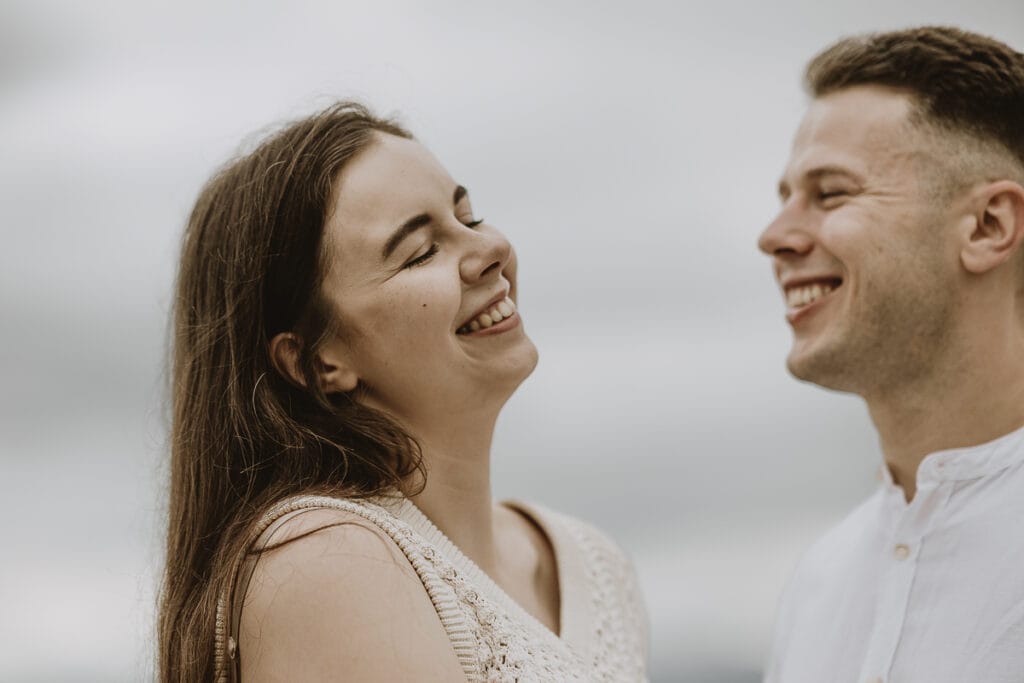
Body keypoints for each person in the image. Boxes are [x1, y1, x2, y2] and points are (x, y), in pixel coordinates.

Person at [156, 102, 648, 682]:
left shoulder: (594, 563)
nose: (489, 251)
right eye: (420, 252)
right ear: (317, 361)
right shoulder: (320, 561)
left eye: (469, 217)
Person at [757, 26, 1024, 683]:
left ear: (989, 225)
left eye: (831, 192)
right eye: (785, 197)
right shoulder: (819, 581)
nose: (775, 236)